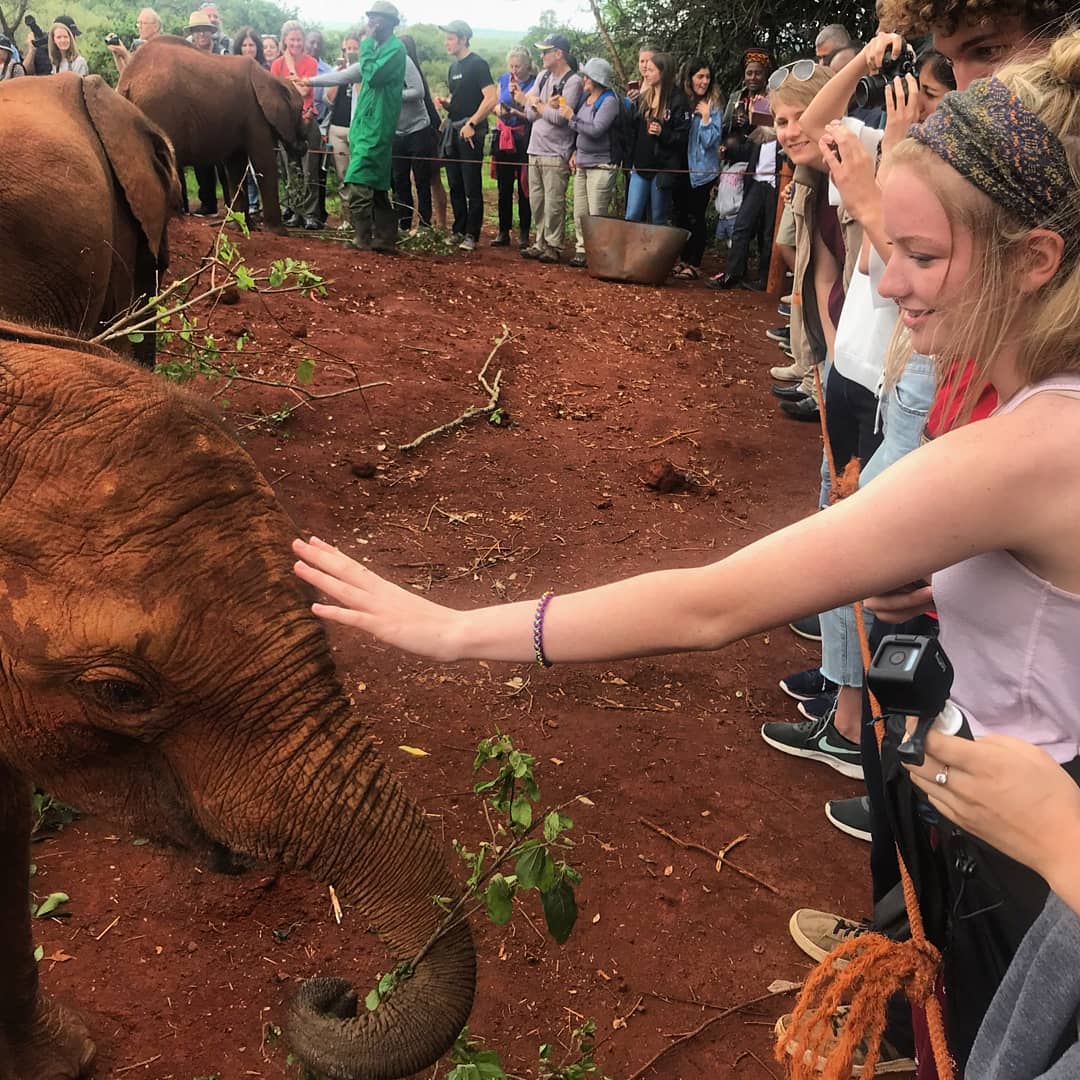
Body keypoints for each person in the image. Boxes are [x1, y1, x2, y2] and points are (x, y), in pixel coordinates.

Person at [294, 33, 1080, 1075]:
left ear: (1037, 260)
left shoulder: (1025, 450)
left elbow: (710, 605)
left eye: (923, 256)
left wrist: (446, 632)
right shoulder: (1039, 415)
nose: (887, 282)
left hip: (1038, 880)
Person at [329, 2, 404, 252]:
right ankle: (385, 236)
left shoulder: (394, 50)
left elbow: (372, 76)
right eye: (370, 18)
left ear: (391, 23)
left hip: (378, 125)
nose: (372, 23)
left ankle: (362, 237)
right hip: (365, 124)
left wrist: (365, 44)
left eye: (377, 19)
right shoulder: (382, 47)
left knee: (359, 177)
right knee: (377, 182)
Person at [435, 20, 497, 251]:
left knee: (472, 185)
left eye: (450, 38)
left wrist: (472, 123)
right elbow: (462, 100)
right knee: (455, 183)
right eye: (446, 38)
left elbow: (491, 98)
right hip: (454, 131)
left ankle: (472, 234)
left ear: (463, 39)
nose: (447, 43)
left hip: (471, 134)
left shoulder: (478, 64)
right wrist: (447, 104)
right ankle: (458, 230)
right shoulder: (454, 68)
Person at [520, 33, 582, 264]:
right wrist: (543, 106)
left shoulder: (573, 81)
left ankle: (554, 245)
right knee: (536, 200)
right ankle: (540, 241)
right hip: (534, 147)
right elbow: (528, 112)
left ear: (559, 53)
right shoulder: (543, 76)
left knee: (554, 202)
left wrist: (538, 105)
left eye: (546, 51)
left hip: (556, 151)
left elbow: (561, 118)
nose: (542, 55)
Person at [562, 56, 619, 268]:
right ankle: (581, 249)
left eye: (586, 76)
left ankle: (599, 253)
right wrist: (575, 150)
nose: (583, 79)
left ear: (595, 79)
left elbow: (596, 130)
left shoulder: (609, 101)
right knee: (580, 211)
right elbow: (582, 131)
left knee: (597, 212)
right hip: (583, 161)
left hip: (602, 164)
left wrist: (572, 118)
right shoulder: (585, 98)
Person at [623, 51, 689, 226]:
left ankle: (654, 253)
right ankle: (631, 252)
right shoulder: (643, 98)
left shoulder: (678, 101)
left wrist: (663, 133)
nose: (646, 73)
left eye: (651, 70)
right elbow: (632, 131)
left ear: (663, 72)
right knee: (632, 214)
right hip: (641, 165)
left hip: (663, 169)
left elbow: (683, 137)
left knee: (658, 218)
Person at [671, 56, 722, 279]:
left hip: (703, 171)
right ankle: (680, 259)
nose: (704, 81)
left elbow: (711, 141)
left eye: (707, 77)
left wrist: (706, 118)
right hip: (682, 167)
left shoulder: (714, 104)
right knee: (680, 216)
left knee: (696, 216)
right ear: (689, 78)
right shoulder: (681, 101)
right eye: (699, 76)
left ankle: (694, 263)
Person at [272, 20, 322, 230]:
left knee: (309, 167)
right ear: (284, 40)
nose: (296, 43)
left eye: (299, 39)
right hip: (286, 122)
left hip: (307, 118)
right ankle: (294, 210)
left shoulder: (310, 62)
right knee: (289, 168)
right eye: (291, 39)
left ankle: (311, 214)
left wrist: (291, 72)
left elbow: (304, 92)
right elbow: (275, 93)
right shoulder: (276, 65)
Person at [392, 35, 438, 234]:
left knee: (421, 180)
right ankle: (403, 224)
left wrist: (393, 94)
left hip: (418, 130)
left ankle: (425, 226)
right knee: (399, 179)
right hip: (396, 131)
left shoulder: (408, 65)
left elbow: (418, 92)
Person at [491, 46, 536, 249]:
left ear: (527, 66)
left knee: (524, 186)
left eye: (518, 66)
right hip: (504, 135)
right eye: (511, 66)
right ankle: (503, 231)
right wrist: (499, 110)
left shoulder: (534, 83)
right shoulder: (503, 79)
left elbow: (533, 111)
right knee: (504, 185)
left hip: (524, 135)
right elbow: (495, 103)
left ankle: (524, 233)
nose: (514, 70)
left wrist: (516, 110)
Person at [723, 48, 772, 140]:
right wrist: (733, 123)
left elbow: (772, 133)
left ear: (765, 75)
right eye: (749, 73)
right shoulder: (736, 97)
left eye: (758, 73)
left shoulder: (771, 98)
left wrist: (750, 124)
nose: (753, 78)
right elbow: (723, 126)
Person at [107, 7, 162, 74]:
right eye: (138, 23)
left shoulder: (162, 48)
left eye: (143, 23)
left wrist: (125, 54)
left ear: (155, 26)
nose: (139, 27)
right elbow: (125, 74)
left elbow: (142, 75)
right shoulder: (138, 45)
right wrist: (117, 55)